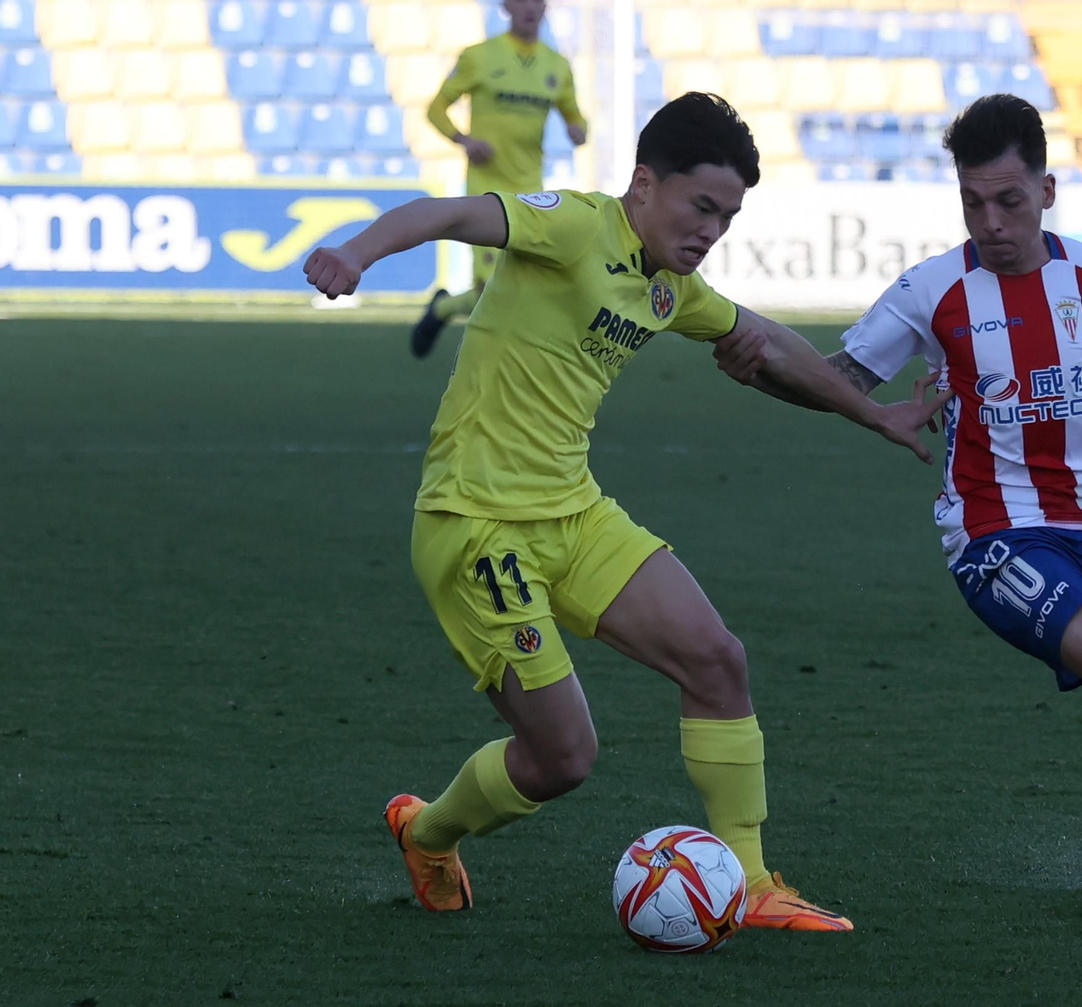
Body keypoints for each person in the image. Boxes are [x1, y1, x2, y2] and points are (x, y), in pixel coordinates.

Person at [302, 92, 948, 929]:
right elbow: (447, 211)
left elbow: (770, 344)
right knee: (564, 758)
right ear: (644, 184)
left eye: (729, 215)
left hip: (572, 514)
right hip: (475, 526)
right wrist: (354, 255)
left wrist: (877, 412)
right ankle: (427, 832)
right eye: (702, 206)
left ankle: (749, 885)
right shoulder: (571, 226)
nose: (712, 229)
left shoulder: (670, 288)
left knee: (717, 659)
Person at [712, 94, 1082, 923]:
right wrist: (764, 363)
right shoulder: (931, 291)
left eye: (1008, 200)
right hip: (998, 539)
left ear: (1048, 190)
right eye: (972, 201)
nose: (989, 221)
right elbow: (841, 377)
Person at [410, 0, 589, 358]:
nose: (529, 8)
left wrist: (577, 129)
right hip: (486, 190)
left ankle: (443, 309)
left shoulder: (557, 66)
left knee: (521, 283)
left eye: (537, 2)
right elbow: (434, 109)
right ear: (506, 7)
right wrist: (464, 140)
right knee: (494, 285)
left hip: (532, 193)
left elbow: (576, 118)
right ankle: (494, 361)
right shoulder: (480, 56)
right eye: (521, 1)